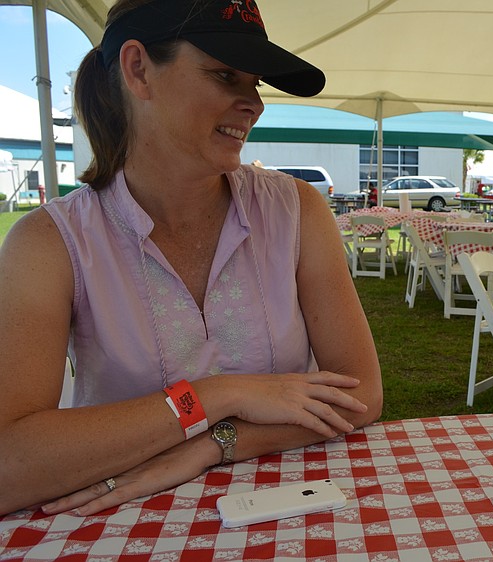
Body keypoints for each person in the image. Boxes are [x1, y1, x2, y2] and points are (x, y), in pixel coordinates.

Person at [0, 0, 382, 517]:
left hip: (288, 513)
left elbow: (360, 396)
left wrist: (213, 443)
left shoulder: (296, 210)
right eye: (226, 75)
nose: (255, 104)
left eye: (256, 84)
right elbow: (10, 464)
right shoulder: (49, 242)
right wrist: (216, 396)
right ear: (138, 69)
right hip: (120, 525)